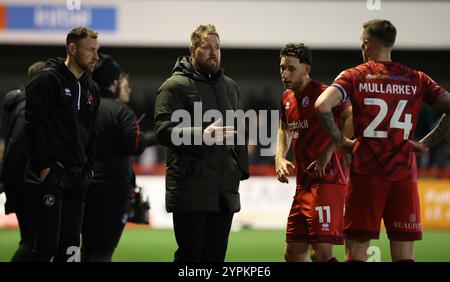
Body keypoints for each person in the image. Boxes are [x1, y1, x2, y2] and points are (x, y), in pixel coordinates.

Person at [315, 19, 450, 262]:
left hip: (367, 175)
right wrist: (427, 143)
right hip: (403, 177)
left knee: (356, 254)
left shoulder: (354, 76)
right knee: (404, 256)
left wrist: (341, 140)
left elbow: (322, 104)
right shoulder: (416, 78)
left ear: (366, 43)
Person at [154, 24, 249, 262]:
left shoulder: (230, 86)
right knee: (190, 257)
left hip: (223, 192)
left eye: (217, 47)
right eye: (206, 47)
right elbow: (163, 130)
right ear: (192, 49)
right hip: (190, 188)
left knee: (215, 259)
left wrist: (240, 170)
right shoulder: (173, 86)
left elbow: (238, 131)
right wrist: (201, 135)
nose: (213, 52)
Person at [24, 26, 100, 262]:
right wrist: (44, 167)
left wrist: (87, 170)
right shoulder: (47, 80)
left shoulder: (92, 89)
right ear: (72, 48)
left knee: (70, 251)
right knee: (46, 246)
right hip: (51, 175)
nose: (96, 56)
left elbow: (92, 133)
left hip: (77, 178)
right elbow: (33, 125)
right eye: (91, 50)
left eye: (98, 51)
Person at [276, 43, 353, 262]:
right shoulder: (286, 98)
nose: (285, 73)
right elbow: (284, 128)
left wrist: (330, 150)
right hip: (303, 185)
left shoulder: (323, 94)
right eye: (282, 67)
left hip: (327, 182)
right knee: (292, 254)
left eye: (291, 68)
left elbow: (351, 118)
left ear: (306, 69)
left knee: (320, 254)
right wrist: (279, 156)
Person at [81, 54, 155, 262]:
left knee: (86, 247)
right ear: (113, 83)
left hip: (83, 185)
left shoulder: (83, 107)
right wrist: (157, 136)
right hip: (112, 190)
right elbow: (135, 145)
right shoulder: (121, 111)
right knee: (104, 251)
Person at [0, 61, 46, 261]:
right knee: (33, 240)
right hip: (25, 185)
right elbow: (16, 149)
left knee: (32, 239)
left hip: (20, 184)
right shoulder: (28, 107)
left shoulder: (21, 105)